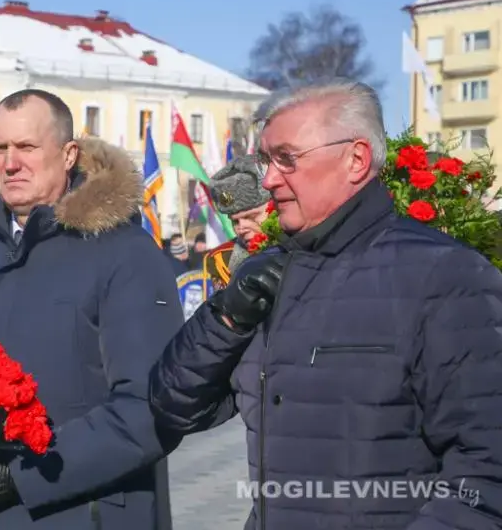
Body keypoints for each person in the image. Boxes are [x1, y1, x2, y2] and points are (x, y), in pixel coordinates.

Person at [149, 79, 502, 529]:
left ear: (355, 159)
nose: (269, 179)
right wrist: (226, 318)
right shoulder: (266, 275)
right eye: (266, 160)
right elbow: (174, 406)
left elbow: (486, 472)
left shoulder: (446, 275)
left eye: (286, 158)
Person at [0, 88, 184, 529]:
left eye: (27, 147)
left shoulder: (125, 253)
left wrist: (24, 477)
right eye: (0, 148)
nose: (10, 163)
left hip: (83, 512)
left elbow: (151, 405)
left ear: (68, 154)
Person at [203, 154, 272, 291]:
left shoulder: (303, 248)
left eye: (251, 217)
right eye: (235, 221)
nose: (241, 228)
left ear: (274, 208)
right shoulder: (223, 260)